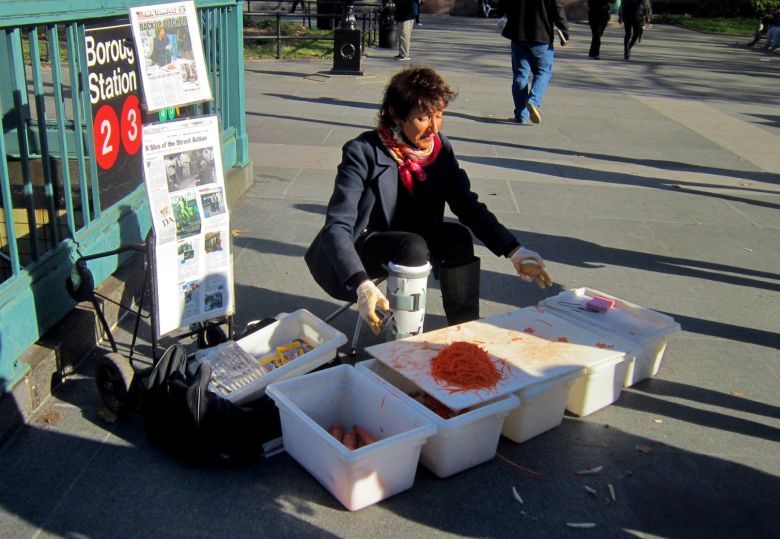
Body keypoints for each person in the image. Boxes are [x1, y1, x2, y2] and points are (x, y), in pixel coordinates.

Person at [305, 67, 552, 336]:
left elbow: (467, 205)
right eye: (423, 118)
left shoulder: (440, 148)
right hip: (368, 242)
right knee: (412, 245)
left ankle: (464, 331)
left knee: (457, 237)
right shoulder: (361, 151)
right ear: (396, 115)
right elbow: (337, 226)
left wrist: (514, 250)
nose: (433, 128)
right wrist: (362, 284)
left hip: (417, 237)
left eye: (439, 115)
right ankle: (404, 340)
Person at [498, 0, 569, 125]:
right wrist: (564, 30)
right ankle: (533, 101)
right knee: (543, 71)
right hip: (541, 36)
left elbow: (505, 5)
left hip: (518, 33)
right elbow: (557, 8)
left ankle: (521, 114)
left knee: (520, 75)